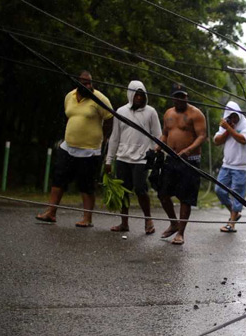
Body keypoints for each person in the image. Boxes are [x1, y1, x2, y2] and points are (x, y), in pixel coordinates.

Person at [36, 70, 113, 227]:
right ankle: (51, 212)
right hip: (68, 147)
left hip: (90, 150)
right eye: (84, 83)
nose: (88, 85)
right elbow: (69, 116)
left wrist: (104, 138)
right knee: (58, 179)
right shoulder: (69, 97)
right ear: (77, 84)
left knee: (86, 184)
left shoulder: (99, 98)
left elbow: (110, 119)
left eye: (90, 82)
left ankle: (87, 218)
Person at [104, 80, 162, 235]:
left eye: (141, 95)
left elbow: (158, 136)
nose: (139, 98)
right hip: (123, 157)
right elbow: (115, 137)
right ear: (130, 94)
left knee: (140, 188)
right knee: (123, 191)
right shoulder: (121, 112)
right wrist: (109, 160)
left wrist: (154, 153)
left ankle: (148, 220)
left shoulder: (151, 112)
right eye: (136, 94)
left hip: (142, 158)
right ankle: (124, 222)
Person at [157, 83, 206, 245]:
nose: (180, 99)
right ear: (173, 98)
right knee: (163, 194)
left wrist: (189, 150)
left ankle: (181, 233)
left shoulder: (195, 114)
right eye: (177, 96)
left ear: (186, 97)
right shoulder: (168, 113)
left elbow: (201, 136)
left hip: (189, 161)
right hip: (171, 159)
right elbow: (165, 134)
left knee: (186, 198)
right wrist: (158, 146)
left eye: (182, 96)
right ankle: (173, 223)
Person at [213, 101, 246, 233]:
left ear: (239, 115)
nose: (233, 119)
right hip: (227, 164)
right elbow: (216, 141)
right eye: (230, 117)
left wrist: (229, 128)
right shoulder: (227, 124)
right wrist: (227, 129)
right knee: (219, 190)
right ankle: (233, 213)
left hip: (241, 167)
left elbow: (243, 140)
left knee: (237, 194)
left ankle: (231, 224)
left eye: (235, 116)